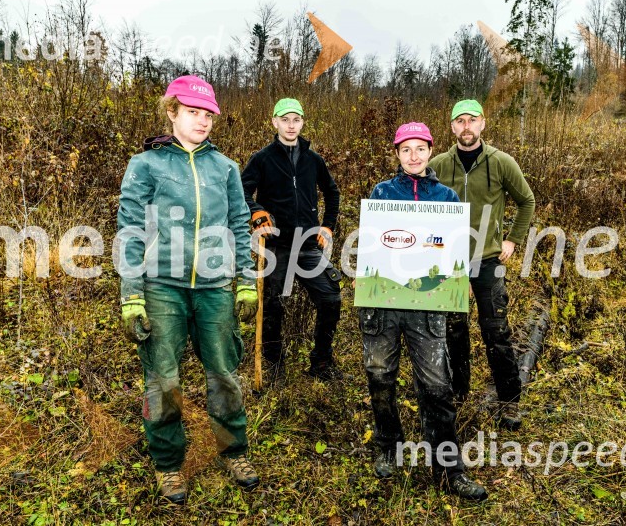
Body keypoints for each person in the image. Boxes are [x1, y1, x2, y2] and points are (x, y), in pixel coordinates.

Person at [117, 75, 260, 505]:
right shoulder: (146, 164)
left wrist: (247, 281)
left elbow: (240, 223)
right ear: (172, 112)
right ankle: (168, 464)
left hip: (214, 287)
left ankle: (233, 452)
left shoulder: (225, 167)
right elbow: (130, 229)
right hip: (162, 286)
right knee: (163, 378)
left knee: (224, 375)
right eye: (193, 112)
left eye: (208, 114)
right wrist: (131, 293)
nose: (202, 121)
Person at [360, 122, 488, 501]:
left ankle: (449, 470)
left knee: (436, 385)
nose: (413, 156)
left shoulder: (446, 197)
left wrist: (458, 278)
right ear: (397, 154)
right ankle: (389, 446)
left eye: (420, 148)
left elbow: (454, 247)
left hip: (427, 306)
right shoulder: (382, 193)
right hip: (384, 303)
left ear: (431, 151)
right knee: (380, 375)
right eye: (406, 149)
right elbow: (373, 243)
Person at [428, 100, 535, 430]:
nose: (466, 126)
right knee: (454, 331)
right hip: (450, 262)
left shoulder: (501, 162)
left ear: (482, 124)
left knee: (496, 332)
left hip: (488, 259)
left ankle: (509, 401)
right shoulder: (437, 165)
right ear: (452, 127)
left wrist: (512, 240)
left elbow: (526, 200)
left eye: (472, 120)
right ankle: (459, 396)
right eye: (460, 121)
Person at [241, 98, 344, 384]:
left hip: (308, 245)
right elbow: (241, 191)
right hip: (276, 245)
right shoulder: (262, 158)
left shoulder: (313, 160)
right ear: (274, 122)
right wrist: (256, 211)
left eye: (296, 120)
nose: (290, 125)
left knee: (331, 298)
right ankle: (275, 366)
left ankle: (321, 362)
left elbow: (332, 193)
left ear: (302, 123)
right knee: (272, 305)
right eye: (285, 120)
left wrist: (328, 227)